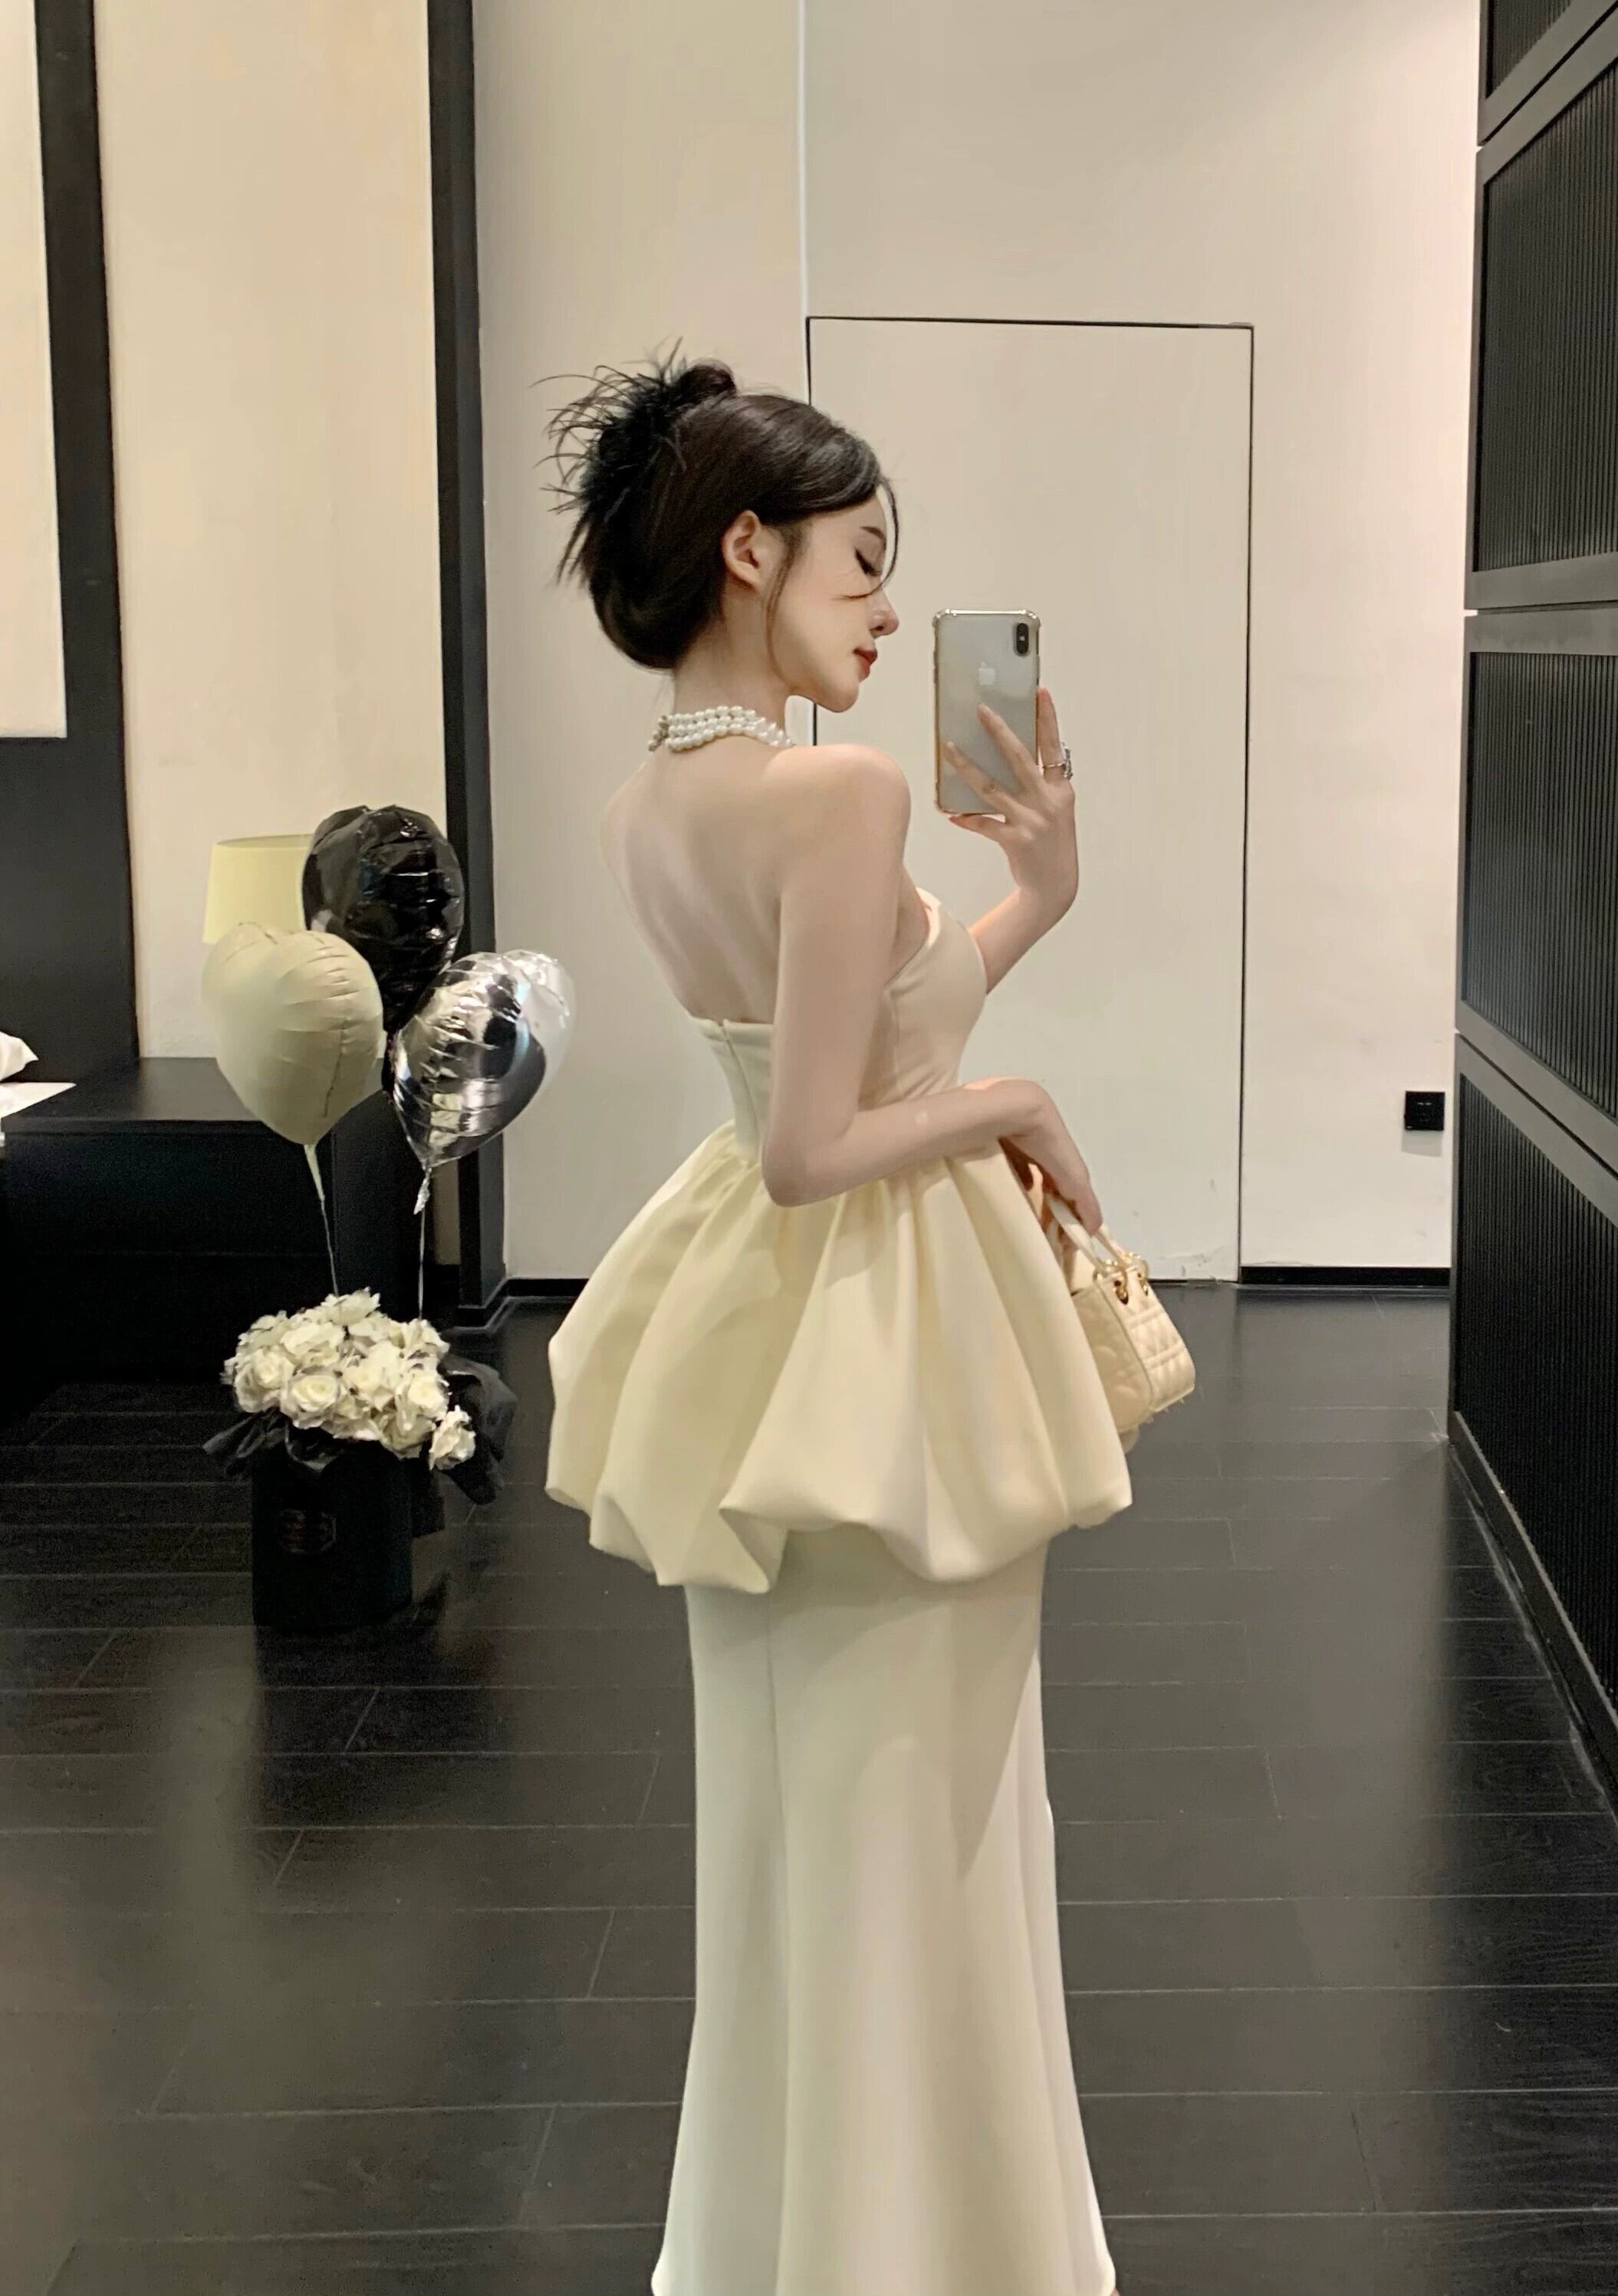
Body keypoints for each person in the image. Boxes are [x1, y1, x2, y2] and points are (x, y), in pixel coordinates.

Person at [542, 347, 1133, 2296]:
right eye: (862, 564)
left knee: (801, 1839)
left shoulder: (651, 806)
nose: (886, 612)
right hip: (885, 1332)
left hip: (765, 1346)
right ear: (749, 552)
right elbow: (823, 1144)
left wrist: (1035, 898)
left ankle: (792, 2245)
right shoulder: (841, 788)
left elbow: (849, 1051)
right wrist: (1023, 1105)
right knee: (928, 1822)